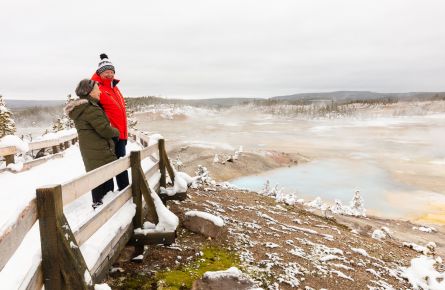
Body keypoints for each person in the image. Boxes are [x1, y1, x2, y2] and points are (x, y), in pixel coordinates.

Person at [65, 79, 120, 209]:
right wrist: (116, 132)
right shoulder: (91, 109)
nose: (99, 91)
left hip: (90, 150)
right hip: (99, 151)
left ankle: (98, 208)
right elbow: (104, 130)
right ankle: (105, 214)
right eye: (97, 89)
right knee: (105, 184)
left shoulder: (82, 108)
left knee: (96, 181)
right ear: (90, 92)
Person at [91, 53, 129, 191]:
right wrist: (109, 130)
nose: (109, 74)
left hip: (121, 134)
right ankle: (118, 194)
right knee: (114, 166)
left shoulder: (114, 87)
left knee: (121, 164)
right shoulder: (97, 88)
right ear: (100, 73)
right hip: (111, 135)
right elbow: (94, 111)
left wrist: (124, 134)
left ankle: (124, 191)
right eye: (106, 72)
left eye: (111, 71)